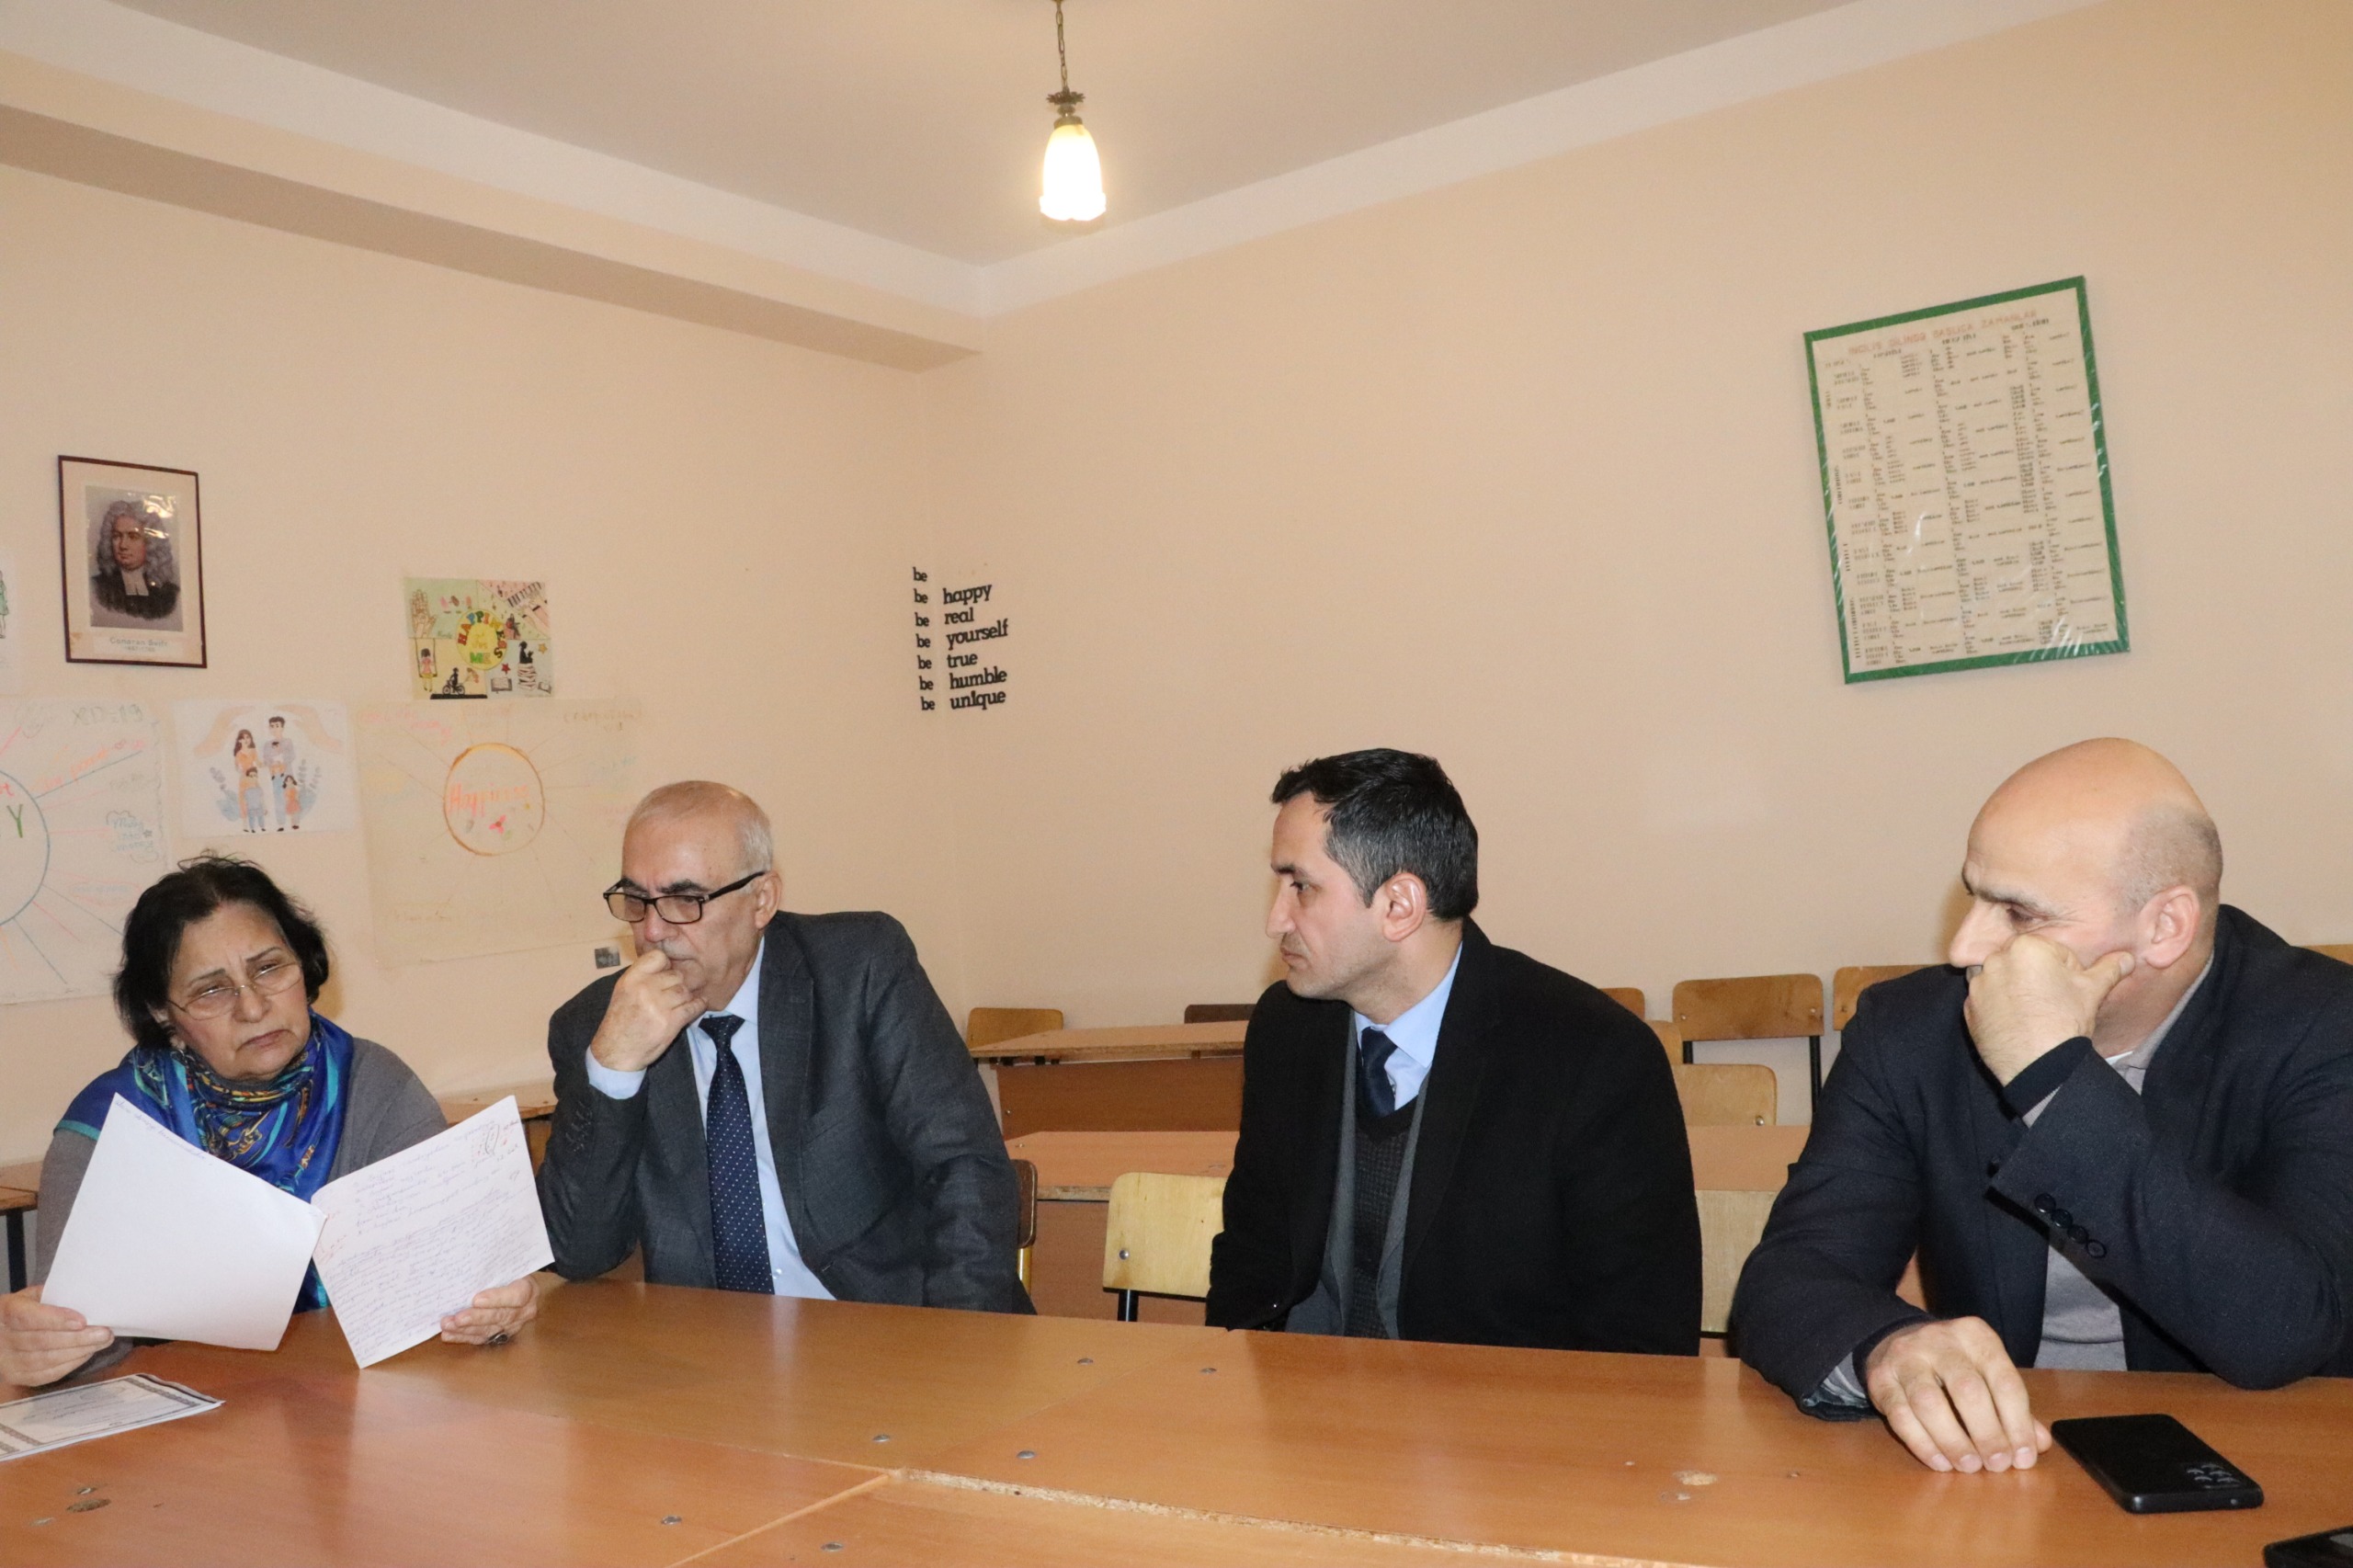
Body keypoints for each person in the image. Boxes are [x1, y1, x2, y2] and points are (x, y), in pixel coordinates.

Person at [1735, 739, 2353, 1474]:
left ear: (2164, 927)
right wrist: (1888, 1347)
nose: (1965, 947)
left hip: (2268, 1457)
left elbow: (2287, 1330)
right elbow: (1790, 1275)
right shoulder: (1911, 1032)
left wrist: (2052, 1082)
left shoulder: (2325, 1028)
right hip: (2010, 1458)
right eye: (1973, 895)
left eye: (2019, 914)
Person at [1205, 749, 1700, 1352]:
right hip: (1301, 1396)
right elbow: (1250, 1255)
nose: (1275, 919)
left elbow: (1641, 1340)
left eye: (1301, 887)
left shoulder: (1595, 1058)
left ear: (1399, 906)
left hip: (1502, 1407)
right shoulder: (1287, 1027)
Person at [0, 856, 540, 1388]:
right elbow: (78, 1347)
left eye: (268, 969)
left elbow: (456, 1280)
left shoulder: (374, 1084)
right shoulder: (109, 1128)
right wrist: (38, 1349)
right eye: (211, 990)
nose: (253, 1007)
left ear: (304, 965)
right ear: (163, 1012)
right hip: (185, 1420)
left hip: (360, 1401)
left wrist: (497, 1305)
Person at [536, 781, 1029, 1311]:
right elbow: (577, 1253)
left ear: (762, 900)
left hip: (888, 1320)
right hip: (714, 1345)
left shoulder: (859, 970)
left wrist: (956, 1338)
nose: (654, 930)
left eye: (685, 900)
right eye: (637, 900)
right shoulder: (596, 1025)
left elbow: (964, 1168)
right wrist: (613, 1071)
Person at [88, 499, 180, 625]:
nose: (123, 545)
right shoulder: (97, 589)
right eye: (117, 536)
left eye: (133, 537)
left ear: (150, 543)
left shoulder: (169, 595)